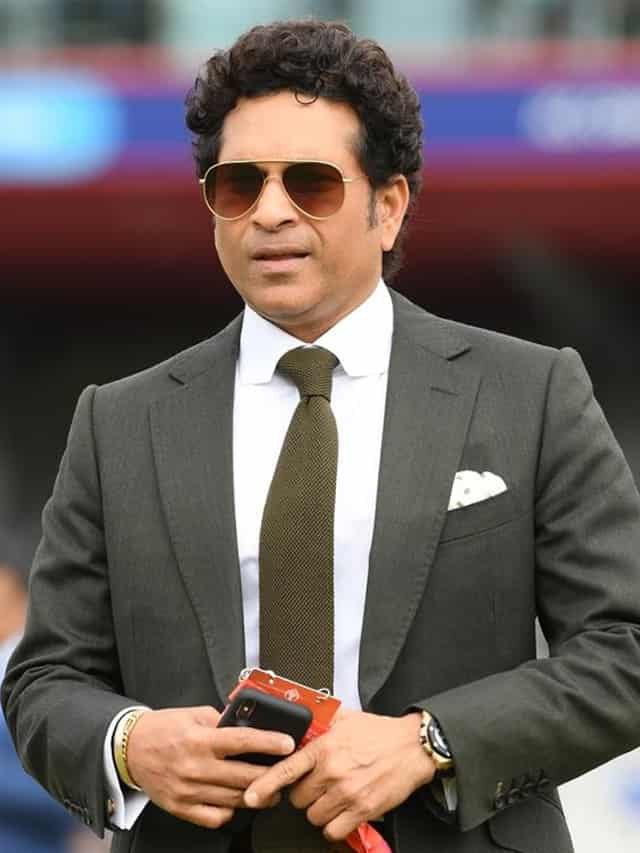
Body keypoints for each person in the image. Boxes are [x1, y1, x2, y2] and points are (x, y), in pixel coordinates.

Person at [3, 18, 640, 853]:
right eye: (239, 185)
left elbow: (625, 648)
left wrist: (430, 741)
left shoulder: (531, 392)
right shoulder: (118, 421)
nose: (271, 212)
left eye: (311, 182)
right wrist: (131, 743)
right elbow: (44, 680)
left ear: (389, 205)